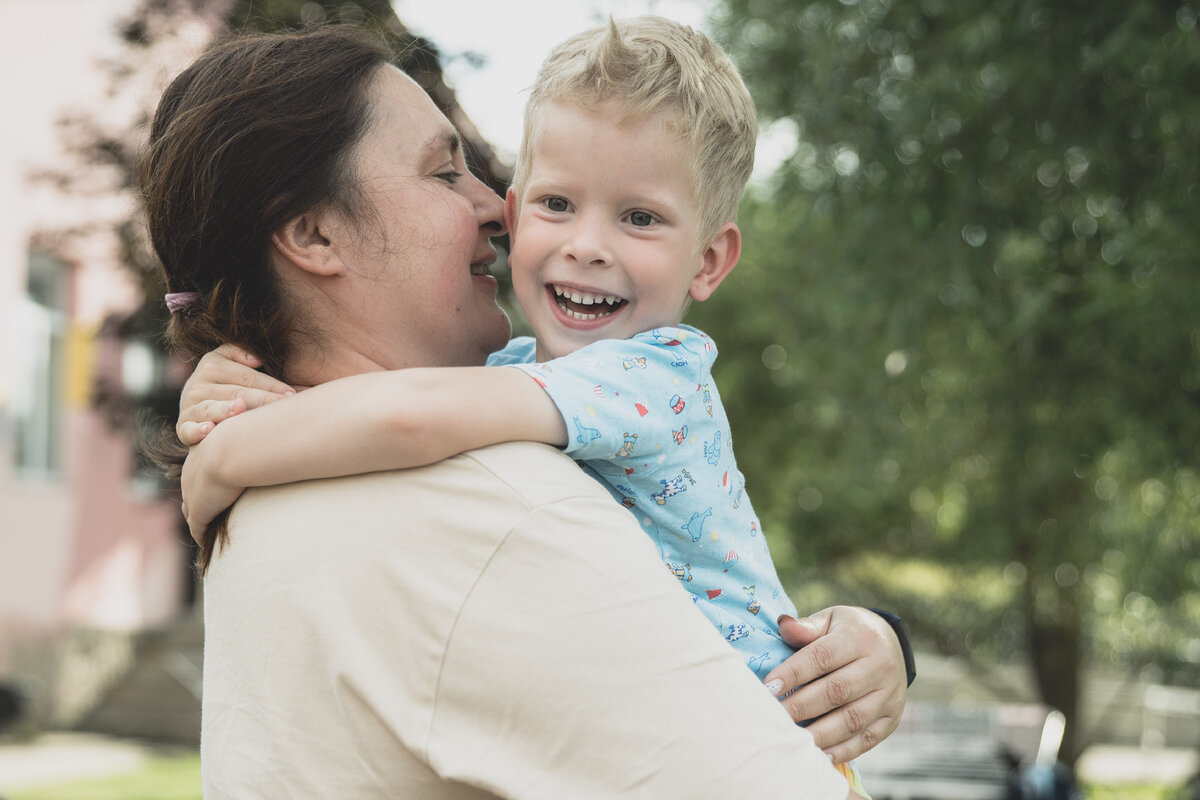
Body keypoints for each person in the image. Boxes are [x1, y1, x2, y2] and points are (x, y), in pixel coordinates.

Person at [153, 24, 905, 798]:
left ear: (710, 258)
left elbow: (409, 416)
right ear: (313, 232)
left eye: (639, 217)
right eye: (446, 174)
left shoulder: (274, 497)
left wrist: (220, 454)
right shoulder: (494, 511)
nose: (495, 208)